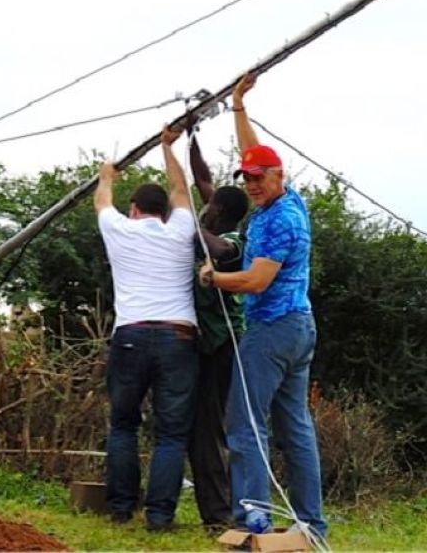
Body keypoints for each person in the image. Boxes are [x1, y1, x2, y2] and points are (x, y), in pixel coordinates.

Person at [199, 74, 327, 536]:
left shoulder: (277, 223)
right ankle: (310, 525)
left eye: (258, 178)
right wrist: (238, 106)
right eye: (247, 178)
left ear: (279, 176)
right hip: (299, 330)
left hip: (271, 331)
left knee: (246, 424)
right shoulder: (289, 201)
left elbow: (255, 282)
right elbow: (255, 152)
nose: (251, 184)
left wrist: (214, 277)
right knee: (295, 427)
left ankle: (253, 519)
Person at [95, 125, 199, 531]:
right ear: (164, 212)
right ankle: (159, 516)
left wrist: (107, 176)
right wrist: (167, 148)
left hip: (132, 334)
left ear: (134, 208)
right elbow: (181, 189)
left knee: (124, 423)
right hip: (179, 336)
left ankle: (121, 507)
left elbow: (102, 201)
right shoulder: (181, 230)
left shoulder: (119, 228)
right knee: (171, 433)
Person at [187, 133, 249, 530]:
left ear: (220, 211)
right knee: (202, 425)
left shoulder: (234, 241)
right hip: (209, 345)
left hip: (221, 346)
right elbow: (203, 178)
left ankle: (219, 513)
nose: (204, 207)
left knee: (208, 428)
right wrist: (191, 137)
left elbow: (220, 253)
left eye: (208, 207)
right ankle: (219, 508)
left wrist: (188, 223)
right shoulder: (218, 216)